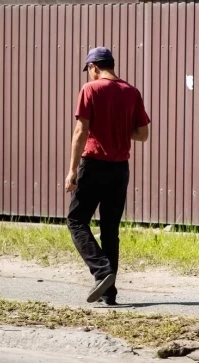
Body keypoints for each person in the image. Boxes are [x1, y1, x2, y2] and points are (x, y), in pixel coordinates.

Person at [65, 47, 150, 306]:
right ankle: (109, 293)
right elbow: (142, 134)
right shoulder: (132, 92)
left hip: (93, 166)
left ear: (94, 67)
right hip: (119, 169)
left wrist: (72, 170)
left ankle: (102, 272)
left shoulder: (90, 89)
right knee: (110, 229)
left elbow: (81, 132)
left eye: (89, 71)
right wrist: (119, 130)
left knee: (76, 220)